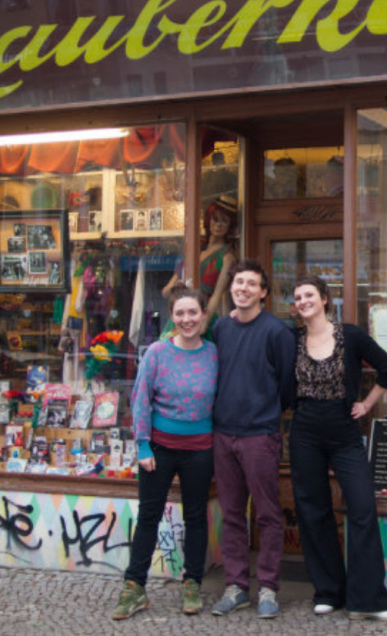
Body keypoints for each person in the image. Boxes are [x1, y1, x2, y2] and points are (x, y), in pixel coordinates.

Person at [288, 275, 387, 622]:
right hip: (305, 430)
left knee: (363, 507)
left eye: (309, 294)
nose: (303, 301)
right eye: (297, 297)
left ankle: (369, 599)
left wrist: (366, 404)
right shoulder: (291, 339)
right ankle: (328, 591)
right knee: (312, 510)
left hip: (344, 431)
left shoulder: (349, 335)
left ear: (325, 299)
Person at [111, 287, 218, 620]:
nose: (187, 319)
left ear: (203, 315)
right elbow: (141, 399)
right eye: (180, 313)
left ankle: (193, 583)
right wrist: (142, 444)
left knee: (196, 517)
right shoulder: (157, 352)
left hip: (200, 449)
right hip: (158, 449)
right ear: (172, 317)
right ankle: (134, 587)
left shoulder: (214, 353)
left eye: (193, 313)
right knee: (148, 517)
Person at [210, 259, 296, 619]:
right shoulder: (220, 329)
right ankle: (236, 585)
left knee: (267, 514)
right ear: (232, 288)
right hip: (223, 433)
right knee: (231, 513)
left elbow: (288, 387)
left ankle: (269, 588)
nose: (242, 288)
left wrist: (267, 414)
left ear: (263, 292)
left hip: (259, 434)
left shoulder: (277, 332)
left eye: (251, 284)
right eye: (238, 282)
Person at [162, 196, 238, 336]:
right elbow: (165, 292)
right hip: (180, 315)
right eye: (215, 219)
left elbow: (216, 295)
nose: (219, 225)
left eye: (224, 221)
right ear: (208, 220)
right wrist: (177, 285)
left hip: (204, 316)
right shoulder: (194, 251)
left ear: (230, 226)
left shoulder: (227, 257)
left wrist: (203, 325)